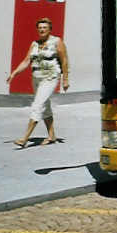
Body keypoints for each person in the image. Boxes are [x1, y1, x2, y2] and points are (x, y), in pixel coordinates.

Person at [7, 18, 70, 147]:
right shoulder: (34, 44)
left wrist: (65, 79)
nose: (42, 30)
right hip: (36, 78)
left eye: (44, 27)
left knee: (37, 105)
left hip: (50, 77)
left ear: (49, 29)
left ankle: (24, 138)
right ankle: (52, 135)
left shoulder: (57, 41)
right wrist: (14, 73)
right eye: (40, 28)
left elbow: (64, 60)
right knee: (45, 106)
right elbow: (26, 61)